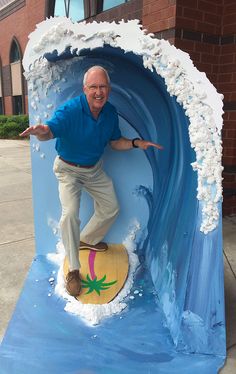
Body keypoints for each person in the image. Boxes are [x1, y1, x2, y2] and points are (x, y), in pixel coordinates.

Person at [20, 65, 163, 297]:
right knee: (69, 214)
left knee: (111, 208)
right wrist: (41, 131)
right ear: (85, 89)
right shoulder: (70, 110)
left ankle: (85, 240)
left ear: (109, 89)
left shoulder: (109, 113)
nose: (99, 92)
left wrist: (137, 143)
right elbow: (50, 131)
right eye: (93, 87)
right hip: (68, 170)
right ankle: (74, 270)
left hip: (94, 170)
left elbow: (115, 142)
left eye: (103, 86)